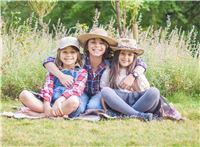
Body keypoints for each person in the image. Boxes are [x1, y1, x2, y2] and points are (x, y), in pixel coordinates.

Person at [43, 27, 147, 116]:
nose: (97, 46)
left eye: (101, 43)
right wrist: (61, 76)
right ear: (87, 46)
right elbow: (48, 61)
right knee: (78, 110)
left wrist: (133, 75)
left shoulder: (110, 62)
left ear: (106, 47)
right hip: (80, 92)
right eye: (93, 42)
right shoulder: (80, 59)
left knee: (92, 108)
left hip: (100, 94)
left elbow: (140, 62)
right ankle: (54, 110)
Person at [19, 37, 87, 118]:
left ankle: (42, 114)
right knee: (24, 94)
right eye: (65, 52)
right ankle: (52, 112)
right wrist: (47, 104)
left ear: (78, 55)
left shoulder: (82, 72)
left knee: (74, 101)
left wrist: (59, 100)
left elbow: (76, 90)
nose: (68, 55)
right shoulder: (54, 70)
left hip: (65, 103)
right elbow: (48, 88)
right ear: (59, 54)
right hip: (50, 102)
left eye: (72, 52)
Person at [101, 38, 161, 121]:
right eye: (123, 54)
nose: (126, 57)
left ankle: (123, 114)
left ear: (134, 57)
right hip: (119, 102)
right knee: (105, 91)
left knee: (154, 91)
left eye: (130, 55)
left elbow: (146, 90)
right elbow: (104, 94)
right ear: (117, 55)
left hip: (138, 101)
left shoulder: (137, 71)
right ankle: (137, 115)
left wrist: (134, 81)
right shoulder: (109, 71)